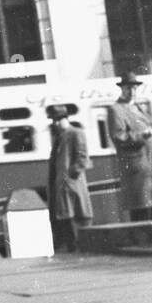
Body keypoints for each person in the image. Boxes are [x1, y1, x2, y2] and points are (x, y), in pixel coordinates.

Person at [107, 72, 152, 222]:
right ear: (122, 89)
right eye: (128, 88)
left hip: (150, 164)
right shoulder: (116, 109)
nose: (132, 91)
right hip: (136, 168)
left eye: (134, 88)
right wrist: (142, 135)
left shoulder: (139, 107)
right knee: (141, 210)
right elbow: (118, 137)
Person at [46, 104, 93, 253]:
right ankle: (73, 248)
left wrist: (70, 176)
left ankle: (80, 249)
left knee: (77, 218)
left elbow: (82, 157)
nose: (55, 123)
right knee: (67, 219)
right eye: (54, 120)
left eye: (57, 120)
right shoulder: (59, 137)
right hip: (63, 186)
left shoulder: (76, 133)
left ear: (65, 119)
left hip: (72, 186)